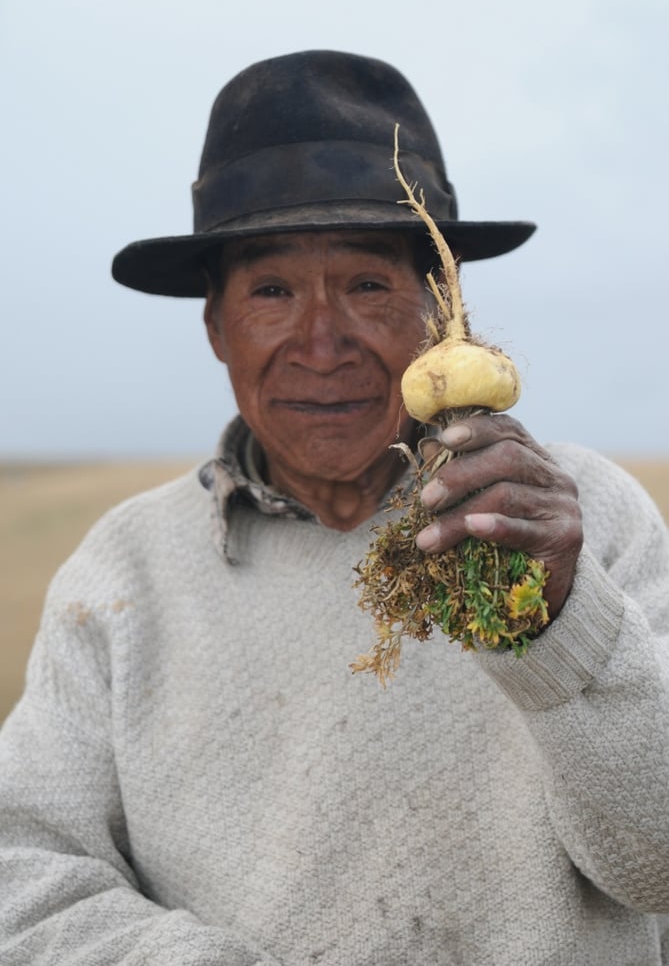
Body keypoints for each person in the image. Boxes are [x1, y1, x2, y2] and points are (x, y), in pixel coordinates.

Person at [0, 50, 668, 966]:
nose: (322, 342)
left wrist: (560, 621)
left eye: (365, 284)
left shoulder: (580, 518)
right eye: (272, 291)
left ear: (441, 311)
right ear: (215, 327)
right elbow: (22, 869)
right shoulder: (122, 573)